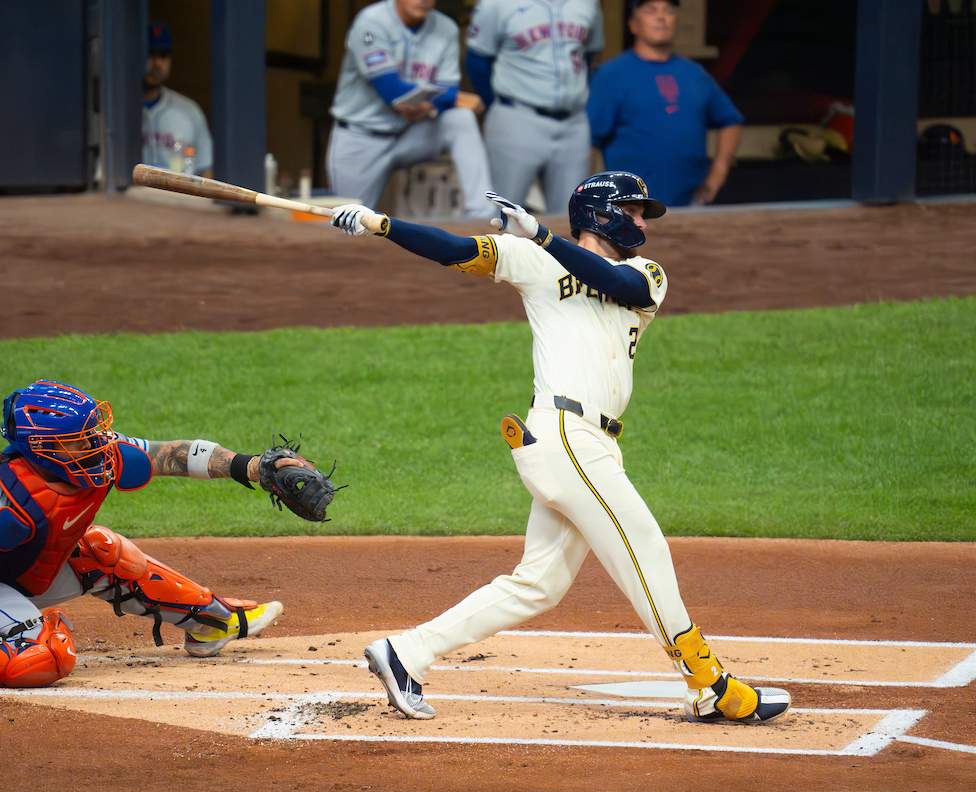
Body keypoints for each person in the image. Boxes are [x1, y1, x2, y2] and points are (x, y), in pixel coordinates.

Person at [328, 173, 791, 724]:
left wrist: (545, 238)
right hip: (565, 434)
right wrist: (381, 225)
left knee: (539, 583)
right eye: (634, 210)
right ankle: (710, 685)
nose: (642, 222)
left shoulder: (645, 273)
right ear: (601, 214)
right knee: (645, 547)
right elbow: (454, 250)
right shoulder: (532, 260)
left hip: (592, 443)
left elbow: (621, 288)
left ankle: (406, 653)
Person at [0, 380, 335, 688]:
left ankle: (211, 622)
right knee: (43, 659)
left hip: (28, 572)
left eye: (96, 431)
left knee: (104, 550)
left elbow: (176, 454)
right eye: (82, 438)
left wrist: (253, 467)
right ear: (45, 446)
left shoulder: (94, 453)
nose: (99, 443)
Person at [327, 0, 493, 217]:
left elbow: (444, 90)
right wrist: (452, 98)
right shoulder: (371, 21)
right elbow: (393, 92)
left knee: (460, 118)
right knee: (348, 222)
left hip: (411, 133)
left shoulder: (446, 28)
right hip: (361, 137)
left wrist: (432, 103)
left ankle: (482, 215)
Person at [587, 0, 743, 207]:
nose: (661, 17)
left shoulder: (694, 73)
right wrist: (588, 200)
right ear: (633, 24)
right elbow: (587, 141)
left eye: (668, 11)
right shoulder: (610, 75)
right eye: (651, 11)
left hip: (691, 206)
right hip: (630, 208)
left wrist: (718, 173)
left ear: (676, 21)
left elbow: (730, 120)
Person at [466, 0, 604, 214]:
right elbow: (477, 61)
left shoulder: (588, 3)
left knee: (573, 220)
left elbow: (587, 55)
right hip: (517, 118)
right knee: (502, 218)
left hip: (574, 123)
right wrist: (502, 104)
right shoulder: (495, 4)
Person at [142, 21, 213, 176]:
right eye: (151, 53)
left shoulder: (189, 111)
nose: (157, 63)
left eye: (164, 55)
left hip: (179, 199)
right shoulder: (114, 112)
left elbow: (205, 173)